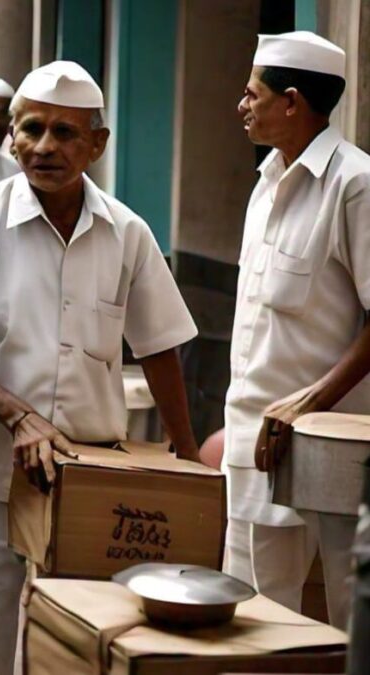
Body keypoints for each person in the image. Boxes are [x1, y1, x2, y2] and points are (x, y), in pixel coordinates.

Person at [0, 60, 199, 675]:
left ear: (98, 143)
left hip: (91, 485)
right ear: (12, 136)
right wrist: (19, 417)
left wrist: (186, 453)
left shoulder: (128, 233)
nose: (44, 147)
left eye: (65, 133)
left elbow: (161, 343)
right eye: (31, 128)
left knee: (80, 654)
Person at [225, 31, 369, 628]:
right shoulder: (264, 184)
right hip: (251, 443)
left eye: (251, 93)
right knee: (251, 615)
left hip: (333, 450)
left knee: (345, 615)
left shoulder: (354, 183)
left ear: (290, 101)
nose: (241, 105)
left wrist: (307, 405)